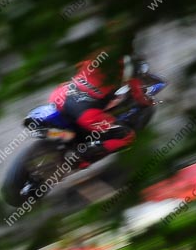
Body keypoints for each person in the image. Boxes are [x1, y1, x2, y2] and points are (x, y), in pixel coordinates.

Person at [47, 29, 154, 169]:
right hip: (85, 112)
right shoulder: (127, 62)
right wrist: (148, 101)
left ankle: (69, 142)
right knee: (127, 136)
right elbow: (137, 94)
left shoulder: (96, 53)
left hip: (60, 95)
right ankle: (82, 159)